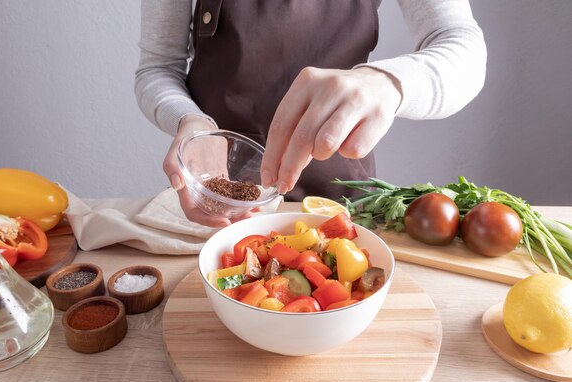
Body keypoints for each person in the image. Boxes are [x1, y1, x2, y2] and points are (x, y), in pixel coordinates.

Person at [135, 0, 486, 227]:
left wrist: (387, 84)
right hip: (217, 208)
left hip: (338, 206)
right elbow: (158, 68)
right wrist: (191, 121)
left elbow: (464, 52)